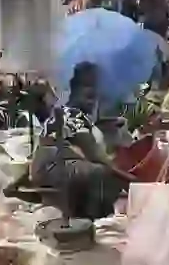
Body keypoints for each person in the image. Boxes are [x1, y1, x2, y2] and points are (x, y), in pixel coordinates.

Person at [30, 63, 135, 220]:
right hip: (52, 168)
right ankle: (94, 219)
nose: (92, 97)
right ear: (74, 90)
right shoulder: (72, 115)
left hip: (50, 169)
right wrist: (131, 181)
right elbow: (95, 154)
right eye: (87, 91)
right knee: (100, 173)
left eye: (94, 91)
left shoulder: (73, 114)